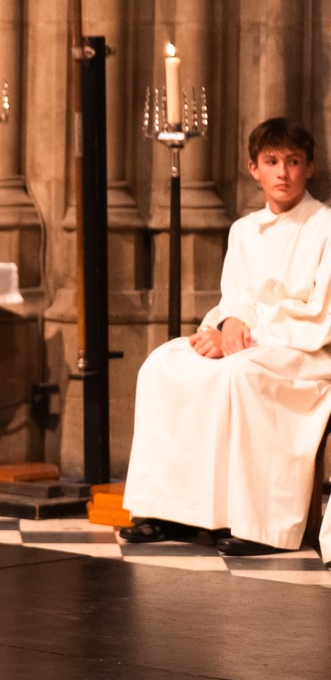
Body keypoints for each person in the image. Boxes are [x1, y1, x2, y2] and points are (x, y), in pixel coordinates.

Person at [120, 118, 331, 556]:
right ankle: (166, 512)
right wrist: (226, 326)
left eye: (293, 162)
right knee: (164, 364)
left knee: (241, 375)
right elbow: (235, 298)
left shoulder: (325, 226)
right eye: (271, 162)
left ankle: (261, 526)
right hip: (249, 340)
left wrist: (247, 333)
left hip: (305, 351)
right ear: (254, 168)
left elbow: (320, 314)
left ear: (309, 168)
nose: (282, 173)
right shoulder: (243, 230)